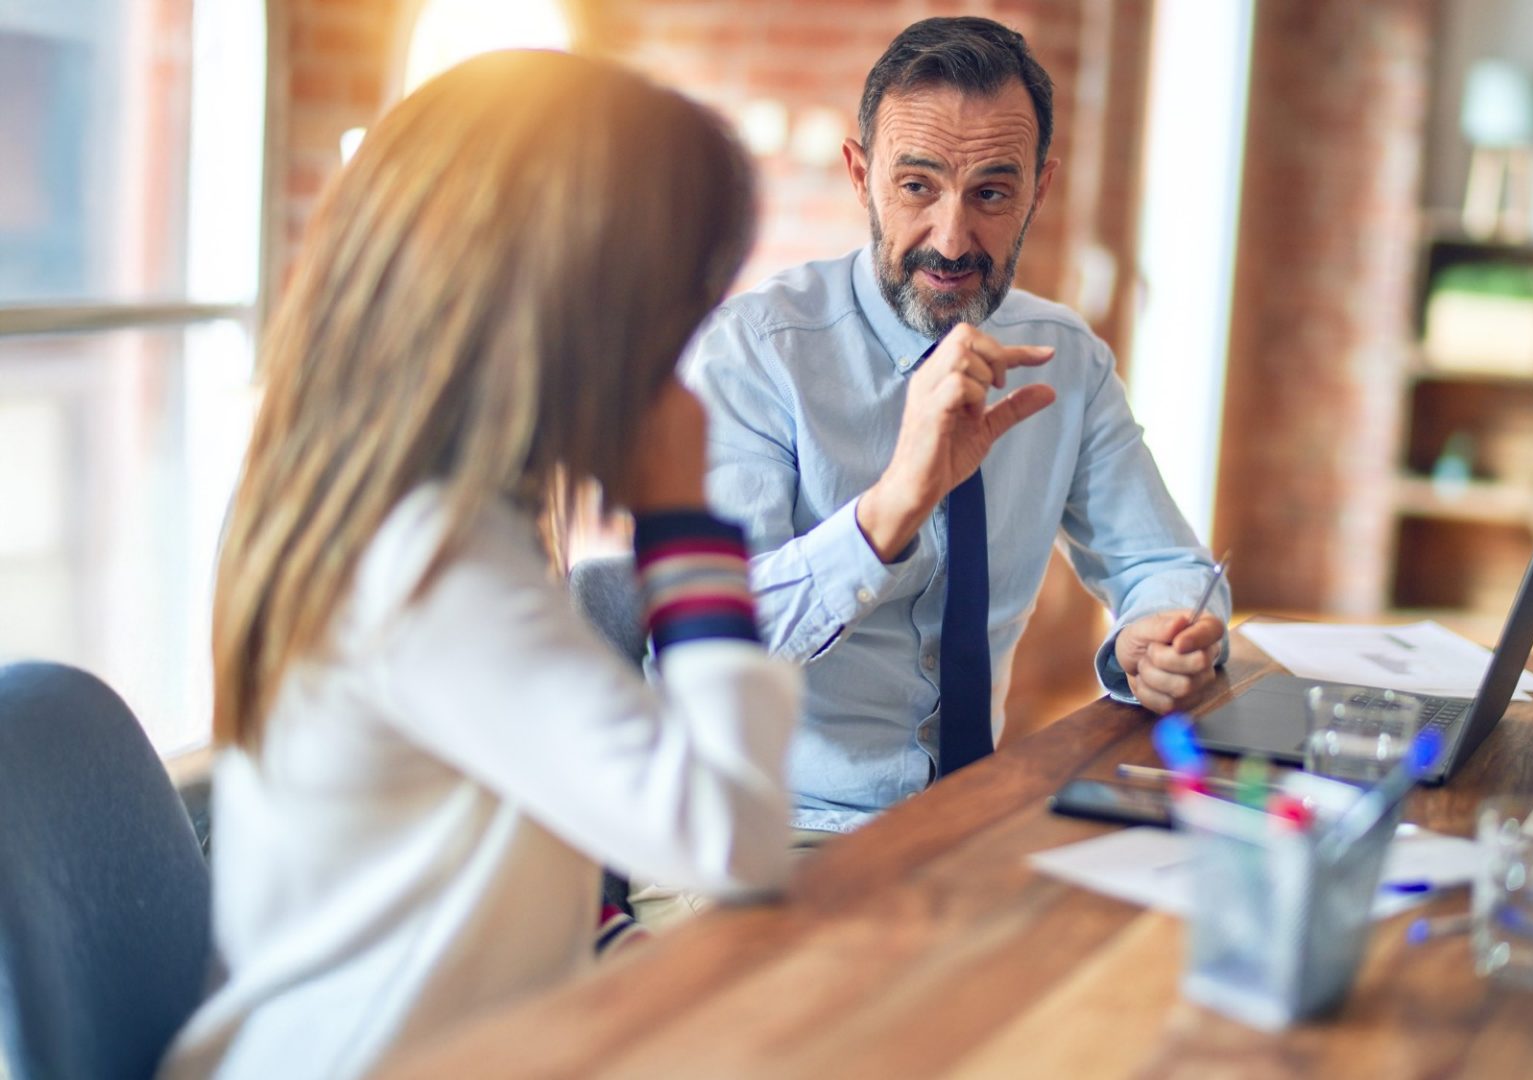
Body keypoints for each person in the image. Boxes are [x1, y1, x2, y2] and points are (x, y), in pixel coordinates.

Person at [161, 52, 796, 1079]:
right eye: (666, 313)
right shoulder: (425, 562)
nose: (672, 360)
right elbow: (731, 838)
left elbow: (502, 833)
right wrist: (683, 522)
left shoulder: (387, 506)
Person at [686, 16, 1229, 837]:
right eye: (917, 186)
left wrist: (1158, 629)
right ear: (859, 174)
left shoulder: (1067, 361)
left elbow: (1169, 564)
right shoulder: (757, 355)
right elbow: (707, 652)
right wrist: (891, 507)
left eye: (991, 193)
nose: (951, 238)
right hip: (772, 828)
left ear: (1038, 190)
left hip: (975, 823)